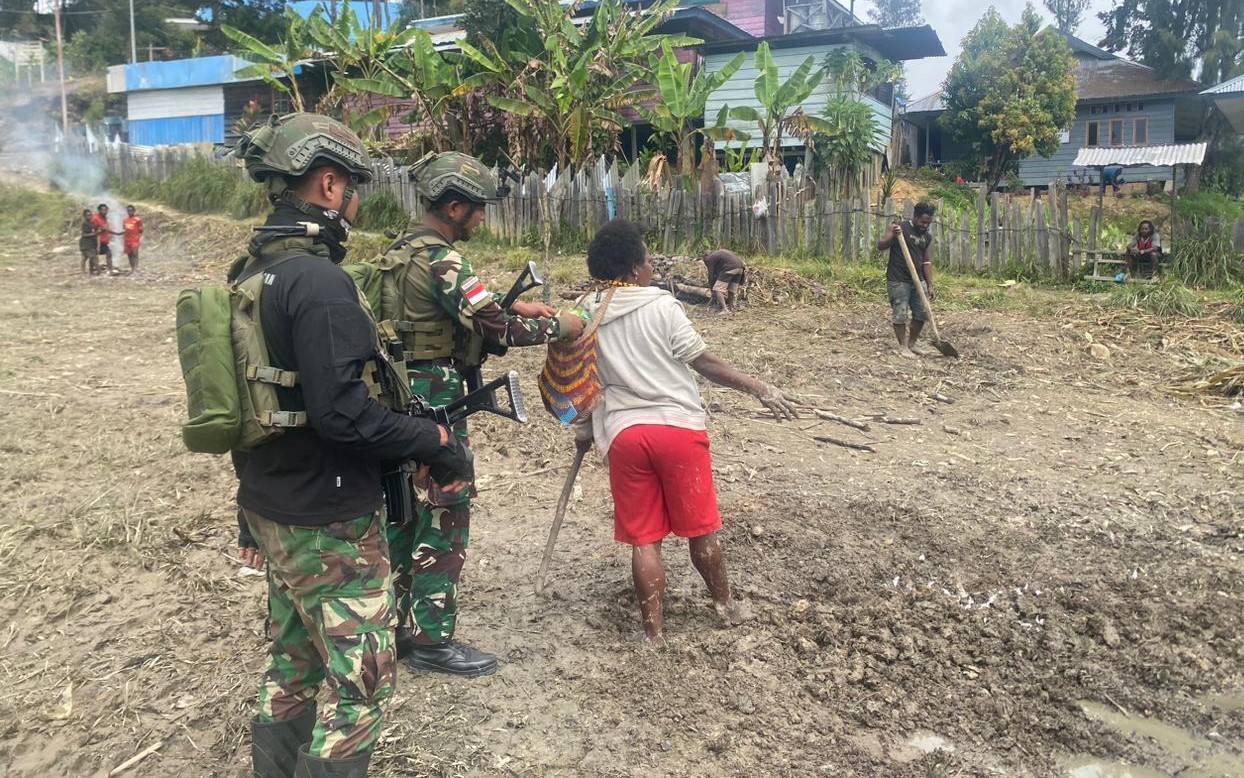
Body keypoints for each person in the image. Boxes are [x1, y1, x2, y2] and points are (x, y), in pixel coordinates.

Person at [229, 113, 472, 778]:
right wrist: (434, 438)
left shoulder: (249, 274)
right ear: (330, 186)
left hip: (274, 504)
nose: (357, 202)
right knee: (360, 684)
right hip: (329, 515)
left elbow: (248, 404)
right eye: (355, 187)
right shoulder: (320, 282)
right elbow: (345, 416)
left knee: (294, 659)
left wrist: (245, 509)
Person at [390, 151, 586, 678]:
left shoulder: (400, 252)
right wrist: (563, 325)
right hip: (439, 400)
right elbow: (499, 330)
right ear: (454, 207)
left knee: (402, 509)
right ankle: (433, 640)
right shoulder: (445, 260)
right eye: (477, 209)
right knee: (446, 510)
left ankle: (396, 630)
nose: (481, 218)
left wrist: (506, 301)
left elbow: (450, 309)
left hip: (399, 398)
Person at [575, 219, 799, 644]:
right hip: (677, 431)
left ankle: (654, 633)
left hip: (624, 434)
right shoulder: (661, 306)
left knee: (645, 540)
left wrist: (586, 429)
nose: (650, 268)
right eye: (645, 259)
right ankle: (725, 607)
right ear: (632, 269)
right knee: (701, 530)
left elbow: (583, 381)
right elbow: (705, 363)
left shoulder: (585, 312)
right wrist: (759, 387)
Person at [877, 202, 936, 358]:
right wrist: (894, 236)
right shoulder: (899, 227)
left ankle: (912, 343)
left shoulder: (927, 237)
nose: (925, 226)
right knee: (900, 313)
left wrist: (930, 285)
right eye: (923, 222)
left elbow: (926, 262)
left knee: (922, 313)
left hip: (918, 280)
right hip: (898, 279)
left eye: (928, 223)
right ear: (915, 217)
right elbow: (881, 245)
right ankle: (903, 346)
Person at [700, 248, 746, 314]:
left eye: (705, 261)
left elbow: (711, 275)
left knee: (718, 289)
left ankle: (725, 309)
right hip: (740, 268)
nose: (706, 263)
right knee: (731, 290)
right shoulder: (719, 255)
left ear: (706, 257)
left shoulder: (710, 258)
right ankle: (731, 308)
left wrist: (712, 289)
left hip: (730, 267)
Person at [91, 204, 116, 274]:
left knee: (109, 253)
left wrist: (116, 234)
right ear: (99, 210)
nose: (104, 211)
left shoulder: (104, 218)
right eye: (103, 210)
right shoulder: (95, 218)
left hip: (103, 242)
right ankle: (92, 270)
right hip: (96, 241)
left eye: (106, 210)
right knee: (93, 257)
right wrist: (99, 231)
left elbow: (106, 229)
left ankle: (110, 270)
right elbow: (92, 229)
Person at [122, 205, 143, 272]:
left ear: (134, 211)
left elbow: (141, 230)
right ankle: (132, 267)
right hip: (127, 240)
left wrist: (137, 235)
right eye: (128, 210)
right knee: (129, 254)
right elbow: (124, 229)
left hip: (134, 239)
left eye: (131, 210)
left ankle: (136, 268)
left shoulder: (137, 220)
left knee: (135, 254)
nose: (129, 212)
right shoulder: (125, 220)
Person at [78, 209, 99, 275]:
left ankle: (90, 271)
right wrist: (94, 234)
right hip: (86, 243)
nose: (89, 216)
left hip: (91, 242)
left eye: (90, 215)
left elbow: (94, 232)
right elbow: (83, 234)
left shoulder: (91, 223)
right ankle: (97, 270)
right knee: (92, 257)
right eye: (88, 215)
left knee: (86, 257)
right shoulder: (84, 224)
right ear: (84, 216)